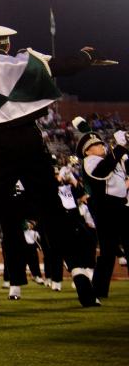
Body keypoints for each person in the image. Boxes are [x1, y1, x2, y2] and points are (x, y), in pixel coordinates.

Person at [0, 0, 100, 311]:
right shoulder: (26, 61)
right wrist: (86, 56)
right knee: (52, 211)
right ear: (7, 45)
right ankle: (79, 274)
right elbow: (65, 65)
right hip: (31, 141)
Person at [76, 119, 127, 299]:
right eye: (96, 145)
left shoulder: (109, 159)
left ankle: (99, 289)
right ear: (87, 150)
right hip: (106, 208)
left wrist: (123, 150)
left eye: (100, 143)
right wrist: (119, 147)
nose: (101, 146)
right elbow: (102, 172)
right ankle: (98, 289)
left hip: (120, 206)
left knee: (112, 250)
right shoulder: (89, 161)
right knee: (107, 251)